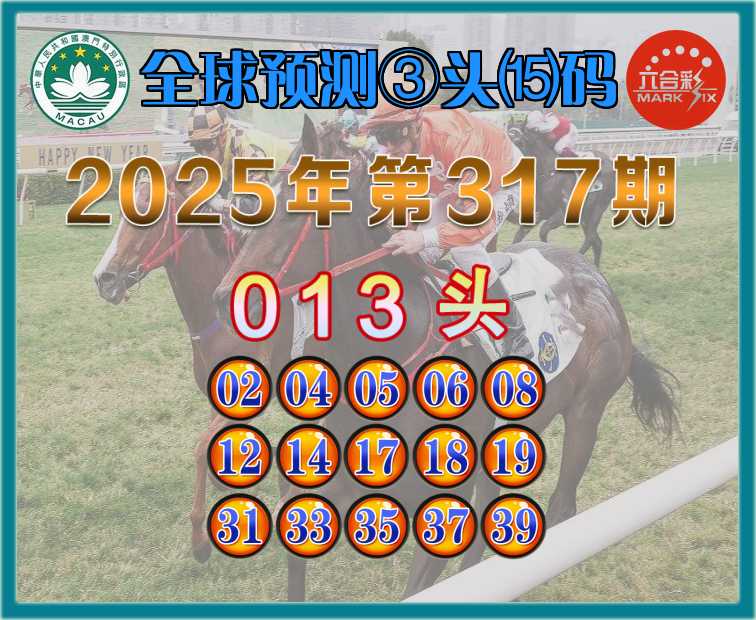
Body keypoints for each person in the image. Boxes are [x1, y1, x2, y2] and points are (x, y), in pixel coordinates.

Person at [361, 102, 533, 359]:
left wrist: (424, 237)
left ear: (415, 127)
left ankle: (516, 333)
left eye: (394, 136)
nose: (389, 147)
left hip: (502, 179)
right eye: (381, 137)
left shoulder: (456, 139)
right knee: (419, 253)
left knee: (464, 248)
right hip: (456, 186)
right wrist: (410, 235)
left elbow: (473, 222)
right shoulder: (397, 152)